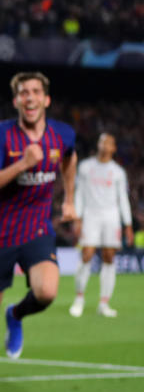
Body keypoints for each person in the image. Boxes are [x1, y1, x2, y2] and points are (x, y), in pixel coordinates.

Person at [0, 72, 76, 392]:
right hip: (1, 233)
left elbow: (69, 158)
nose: (29, 97)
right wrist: (23, 165)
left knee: (47, 291)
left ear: (46, 99)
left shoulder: (62, 134)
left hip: (38, 229)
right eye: (23, 92)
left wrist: (69, 198)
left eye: (35, 92)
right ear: (16, 101)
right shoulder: (1, 135)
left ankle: (18, 315)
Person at [69, 133, 133, 318]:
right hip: (90, 214)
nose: (105, 145)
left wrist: (127, 224)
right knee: (87, 253)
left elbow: (123, 199)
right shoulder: (86, 167)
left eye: (109, 142)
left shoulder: (118, 172)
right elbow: (79, 193)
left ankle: (104, 303)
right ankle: (79, 298)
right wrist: (77, 217)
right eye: (102, 141)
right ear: (98, 144)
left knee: (109, 257)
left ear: (114, 148)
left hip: (111, 216)